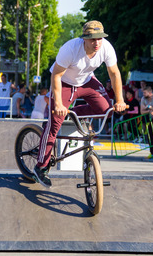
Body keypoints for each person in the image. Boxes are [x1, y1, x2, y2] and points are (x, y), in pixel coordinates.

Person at [33, 20, 126, 187]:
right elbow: (56, 76)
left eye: (99, 39)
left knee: (106, 110)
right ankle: (41, 167)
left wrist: (119, 100)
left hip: (87, 81)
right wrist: (59, 105)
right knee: (54, 125)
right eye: (92, 40)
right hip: (65, 83)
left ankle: (73, 114)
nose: (97, 43)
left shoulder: (106, 47)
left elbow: (114, 73)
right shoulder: (70, 49)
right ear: (84, 39)